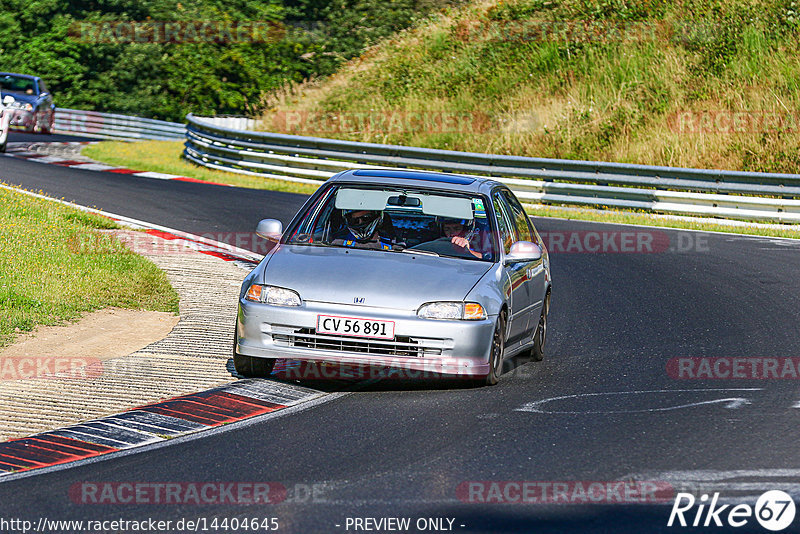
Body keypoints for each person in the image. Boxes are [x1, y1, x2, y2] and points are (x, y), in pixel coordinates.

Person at [332, 209, 397, 250]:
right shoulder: (339, 243)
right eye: (355, 220)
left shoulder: (393, 246)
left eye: (365, 218)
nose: (360, 223)